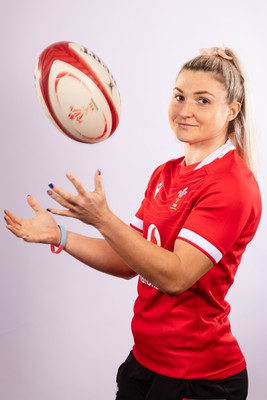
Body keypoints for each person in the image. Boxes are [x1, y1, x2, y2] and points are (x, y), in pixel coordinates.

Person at [4, 46, 262, 400]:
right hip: (145, 361)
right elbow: (130, 260)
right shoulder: (166, 173)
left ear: (231, 110)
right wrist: (61, 234)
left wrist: (102, 218)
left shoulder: (232, 184)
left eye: (203, 100)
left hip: (198, 377)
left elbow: (175, 276)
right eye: (179, 96)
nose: (185, 110)